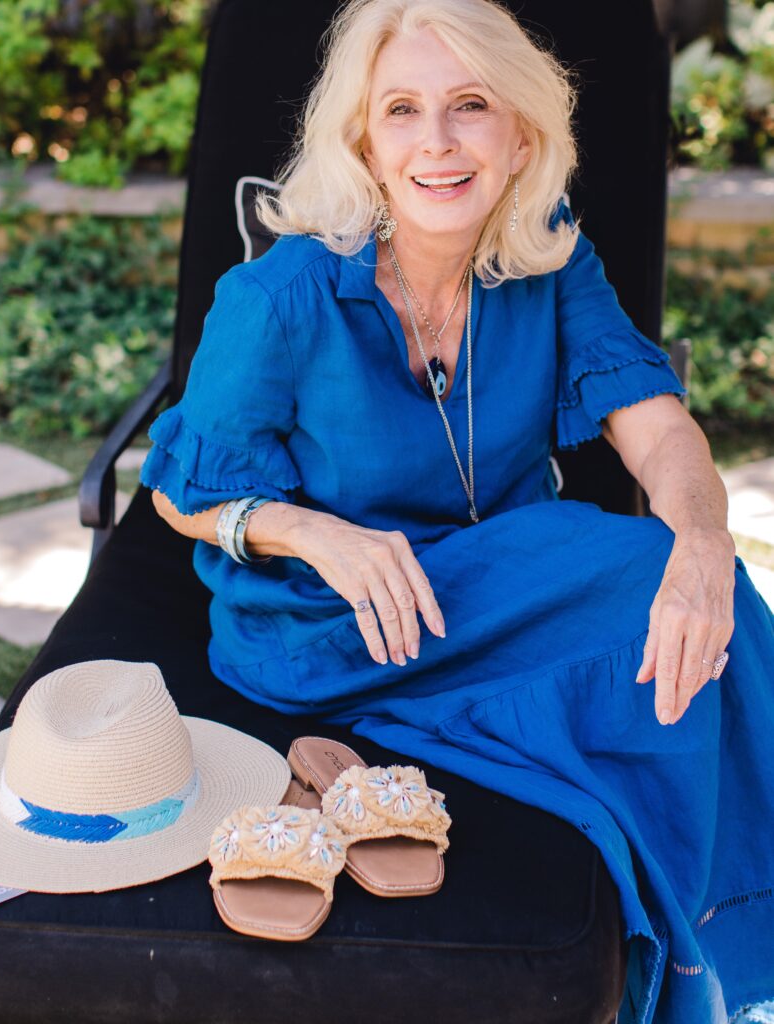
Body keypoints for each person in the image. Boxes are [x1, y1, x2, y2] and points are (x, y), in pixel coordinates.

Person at [140, 0, 774, 1020]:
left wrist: (703, 539)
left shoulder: (549, 260)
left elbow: (658, 433)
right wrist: (311, 530)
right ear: (365, 141)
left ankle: (700, 959)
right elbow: (178, 488)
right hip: (330, 622)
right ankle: (703, 966)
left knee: (702, 595)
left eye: (469, 105)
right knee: (633, 583)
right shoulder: (285, 296)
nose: (436, 141)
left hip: (490, 593)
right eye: (402, 110)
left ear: (521, 133)